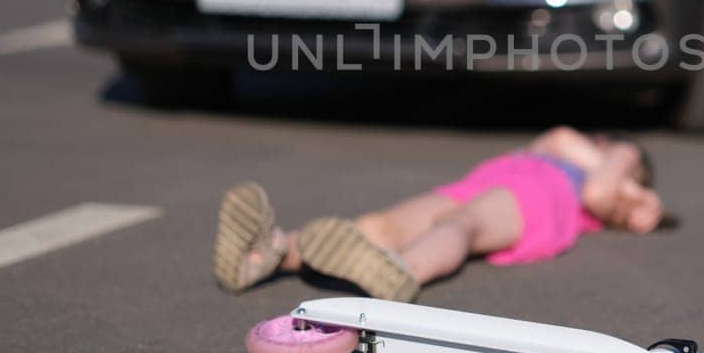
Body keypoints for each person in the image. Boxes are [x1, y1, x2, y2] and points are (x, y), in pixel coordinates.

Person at [213, 127, 668, 302]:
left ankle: (402, 271)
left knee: (461, 227)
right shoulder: (578, 156)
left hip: (536, 195)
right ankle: (271, 252)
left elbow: (596, 186)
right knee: (384, 225)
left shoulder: (615, 158)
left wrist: (633, 185)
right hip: (485, 183)